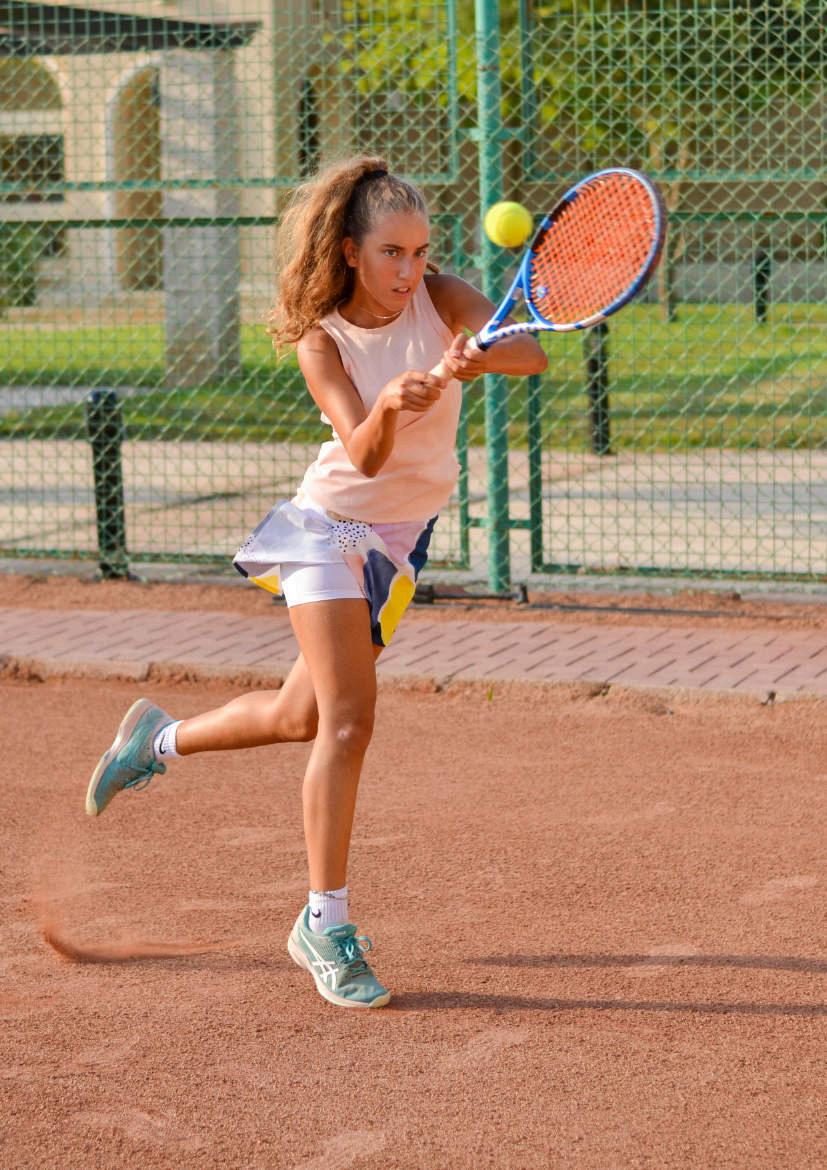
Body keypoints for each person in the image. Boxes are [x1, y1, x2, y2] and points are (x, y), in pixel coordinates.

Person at [85, 156, 546, 1009]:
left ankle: (155, 742)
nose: (408, 269)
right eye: (391, 253)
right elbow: (363, 456)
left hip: (397, 543)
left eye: (419, 251)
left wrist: (480, 356)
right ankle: (323, 923)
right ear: (348, 251)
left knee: (300, 716)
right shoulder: (321, 338)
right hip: (329, 529)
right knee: (348, 721)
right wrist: (391, 404)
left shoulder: (442, 296)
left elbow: (531, 353)